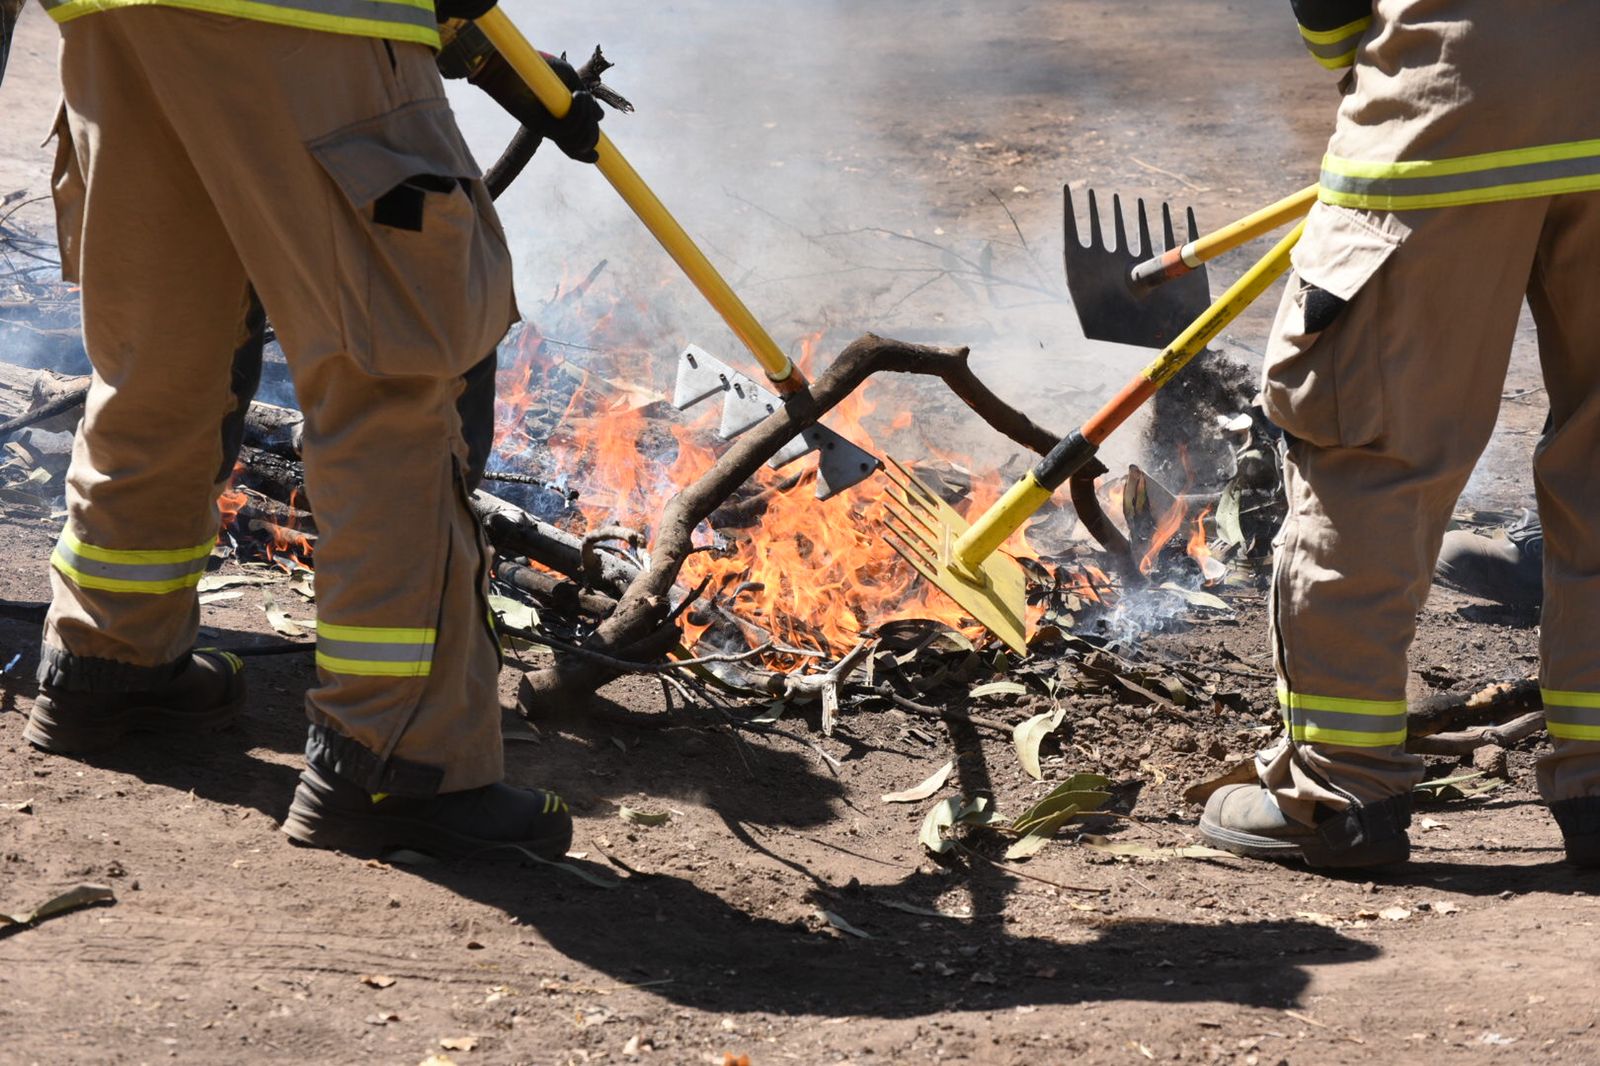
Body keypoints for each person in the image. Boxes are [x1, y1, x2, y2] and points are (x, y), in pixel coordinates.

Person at [26, 0, 601, 861]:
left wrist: (474, 45)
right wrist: (479, 45)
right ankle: (397, 759)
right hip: (313, 20)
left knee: (160, 361)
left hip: (116, 17)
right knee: (395, 385)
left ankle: (108, 659)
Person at [1198, 0, 1600, 868]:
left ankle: (1340, 791)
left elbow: (1334, 17)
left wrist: (1364, 58)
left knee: (1373, 448)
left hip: (1451, 104)